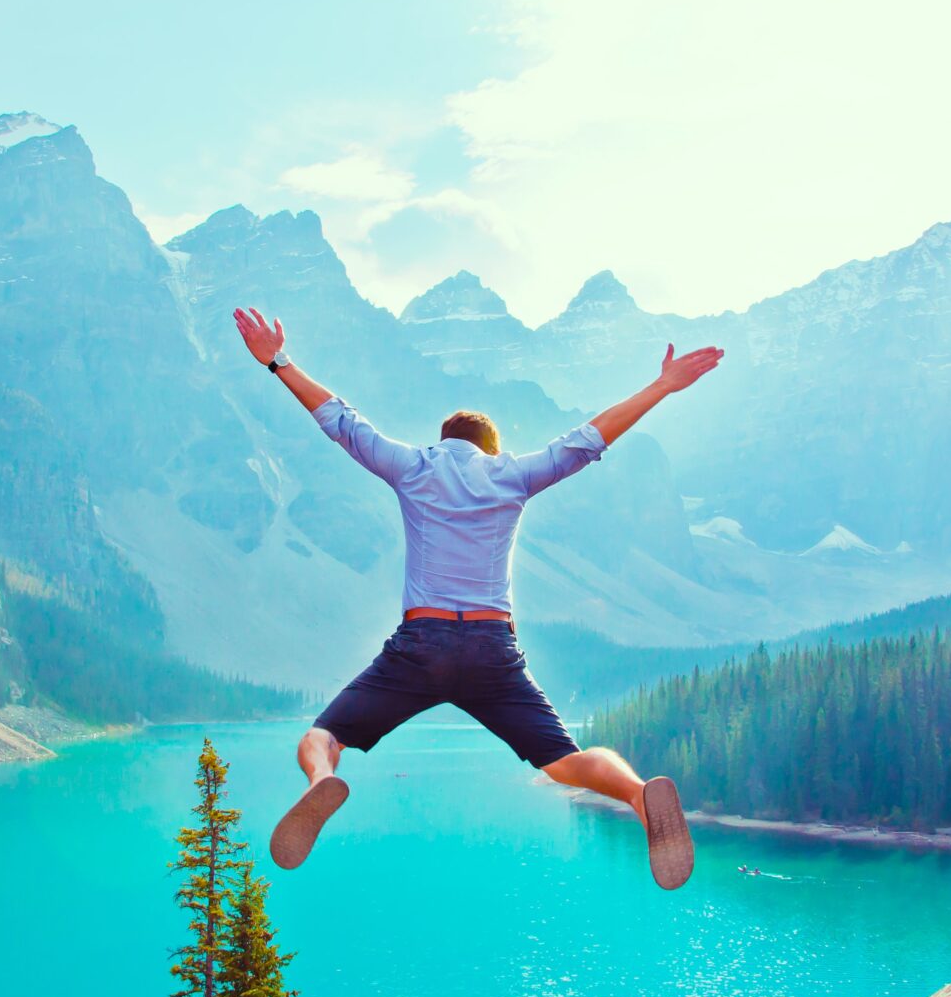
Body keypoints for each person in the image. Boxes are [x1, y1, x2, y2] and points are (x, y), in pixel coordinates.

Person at [233, 306, 723, 889]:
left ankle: (320, 783)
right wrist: (664, 385)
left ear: (444, 441)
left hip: (422, 643)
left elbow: (338, 419)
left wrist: (278, 361)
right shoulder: (511, 474)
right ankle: (640, 796)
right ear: (491, 448)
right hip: (492, 648)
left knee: (322, 737)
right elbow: (591, 438)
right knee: (564, 760)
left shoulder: (412, 466)